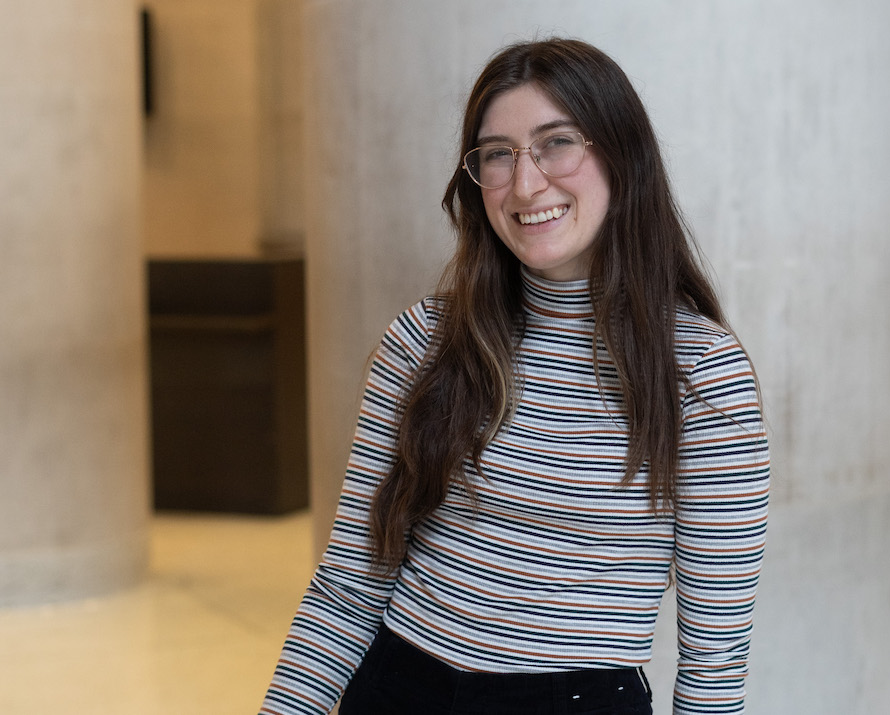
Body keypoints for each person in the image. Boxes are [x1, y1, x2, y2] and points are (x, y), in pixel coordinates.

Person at [260, 38, 769, 715]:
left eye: (557, 142)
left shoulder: (701, 374)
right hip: (396, 684)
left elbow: (716, 659)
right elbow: (349, 586)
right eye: (498, 154)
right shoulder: (422, 341)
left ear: (623, 154)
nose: (525, 184)